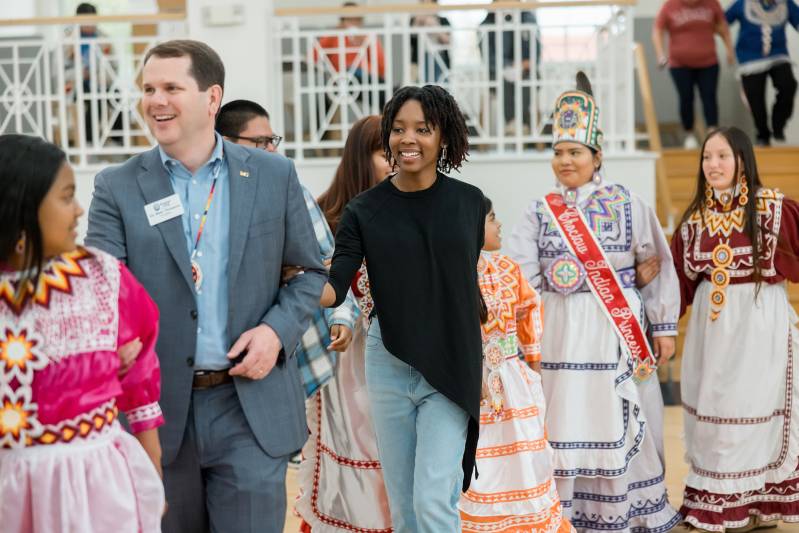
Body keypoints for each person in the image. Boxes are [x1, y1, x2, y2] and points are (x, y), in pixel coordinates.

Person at [85, 40, 327, 533]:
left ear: (212, 98)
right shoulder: (117, 185)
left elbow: (309, 273)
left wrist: (276, 332)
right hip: (156, 414)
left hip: (248, 407)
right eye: (148, 88)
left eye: (172, 87)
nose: (156, 100)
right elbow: (102, 290)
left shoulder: (272, 174)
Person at [507, 73, 682, 532]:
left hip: (612, 333)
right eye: (559, 152)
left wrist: (663, 326)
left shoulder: (628, 202)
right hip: (559, 334)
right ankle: (561, 513)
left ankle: (618, 511)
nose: (565, 161)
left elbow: (657, 262)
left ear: (596, 156)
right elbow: (522, 273)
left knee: (615, 417)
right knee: (563, 420)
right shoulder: (538, 210)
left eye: (575, 152)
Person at [320, 85, 486, 531]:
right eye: (398, 129)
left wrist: (480, 367)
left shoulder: (471, 203)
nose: (407, 139)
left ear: (443, 137)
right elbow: (335, 286)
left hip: (451, 359)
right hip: (388, 359)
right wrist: (296, 280)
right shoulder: (363, 210)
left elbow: (465, 290)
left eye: (422, 129)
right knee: (405, 505)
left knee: (433, 499)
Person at [0, 134, 165, 532]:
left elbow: (140, 386)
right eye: (66, 196)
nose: (78, 210)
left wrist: (153, 477)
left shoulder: (103, 278)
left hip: (101, 487)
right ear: (22, 208)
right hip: (12, 492)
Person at [671, 126, 799, 531]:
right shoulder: (693, 223)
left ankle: (754, 504)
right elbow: (677, 285)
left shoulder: (773, 209)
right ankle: (726, 502)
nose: (713, 165)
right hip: (714, 331)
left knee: (754, 409)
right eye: (707, 157)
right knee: (718, 406)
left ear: (743, 160)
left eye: (723, 156)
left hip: (760, 326)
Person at [215, 99, 358, 402]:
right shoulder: (206, 201)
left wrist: (341, 317)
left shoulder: (286, 189)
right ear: (226, 143)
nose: (272, 151)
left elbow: (325, 264)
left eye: (272, 141)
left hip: (297, 356)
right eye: (261, 142)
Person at [294, 115, 394, 532]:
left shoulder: (407, 209)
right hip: (345, 358)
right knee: (353, 452)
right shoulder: (326, 218)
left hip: (397, 355)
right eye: (382, 152)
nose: (394, 161)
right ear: (360, 156)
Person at [460, 196, 573, 533]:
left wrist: (533, 362)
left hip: (511, 377)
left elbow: (530, 307)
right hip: (469, 379)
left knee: (524, 457)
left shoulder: (507, 267)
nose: (498, 225)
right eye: (492, 218)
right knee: (480, 458)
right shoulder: (451, 271)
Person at [652, 0, 734, 149]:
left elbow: (723, 27)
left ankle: (712, 133)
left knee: (709, 96)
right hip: (679, 64)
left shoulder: (711, 4)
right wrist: (660, 54)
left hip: (708, 62)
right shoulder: (670, 5)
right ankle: (689, 133)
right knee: (686, 98)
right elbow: (658, 29)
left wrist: (729, 50)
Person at [726, 0, 799, 146]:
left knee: (788, 85)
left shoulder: (786, 5)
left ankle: (778, 125)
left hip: (778, 55)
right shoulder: (743, 4)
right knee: (755, 99)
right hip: (749, 58)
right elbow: (721, 23)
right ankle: (763, 135)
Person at [480, 3, 540, 134]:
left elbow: (536, 51)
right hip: (497, 71)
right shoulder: (488, 22)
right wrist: (506, 67)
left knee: (526, 79)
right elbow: (486, 55)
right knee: (504, 79)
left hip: (526, 70)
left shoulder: (528, 18)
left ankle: (520, 123)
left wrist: (521, 66)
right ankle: (514, 123)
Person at [410, 0, 451, 83]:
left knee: (441, 83)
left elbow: (448, 40)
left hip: (440, 57)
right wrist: (418, 22)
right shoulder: (415, 20)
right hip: (421, 58)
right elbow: (411, 38)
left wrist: (435, 26)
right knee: (422, 84)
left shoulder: (443, 20)